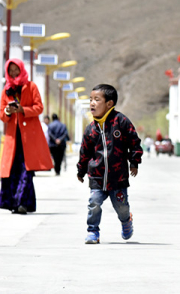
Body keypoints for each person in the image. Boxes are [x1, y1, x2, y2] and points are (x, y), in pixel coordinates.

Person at [77, 84, 142, 244]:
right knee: (94, 203)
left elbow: (134, 142)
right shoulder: (90, 129)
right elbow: (84, 152)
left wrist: (134, 161)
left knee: (121, 207)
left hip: (118, 178)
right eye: (90, 99)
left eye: (96, 99)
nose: (92, 103)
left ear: (109, 103)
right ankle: (93, 231)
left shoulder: (121, 122)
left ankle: (126, 220)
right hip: (97, 177)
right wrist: (81, 170)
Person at [0, 59, 53, 214]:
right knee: (12, 170)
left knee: (26, 170)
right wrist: (8, 111)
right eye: (11, 70)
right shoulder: (6, 90)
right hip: (13, 138)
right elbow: (2, 115)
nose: (13, 73)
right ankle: (16, 203)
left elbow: (39, 107)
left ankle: (22, 203)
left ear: (21, 70)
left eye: (16, 70)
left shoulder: (31, 87)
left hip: (29, 138)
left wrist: (23, 110)